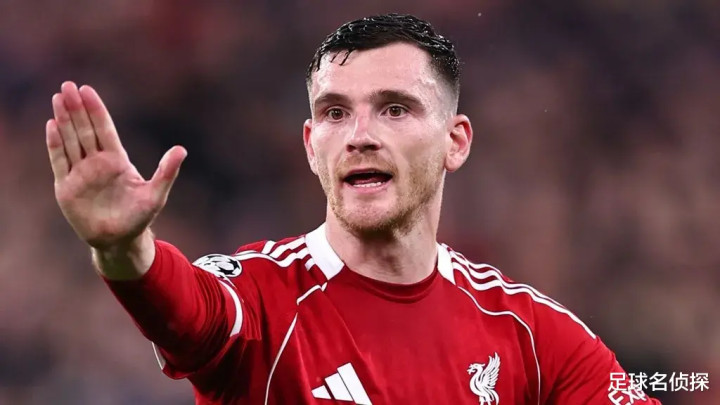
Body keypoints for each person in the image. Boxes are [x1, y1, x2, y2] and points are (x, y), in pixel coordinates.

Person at [45, 13, 661, 405]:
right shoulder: (262, 298)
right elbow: (188, 314)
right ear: (311, 146)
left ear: (455, 141)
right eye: (335, 112)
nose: (360, 135)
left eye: (394, 108)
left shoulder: (530, 334)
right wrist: (123, 248)